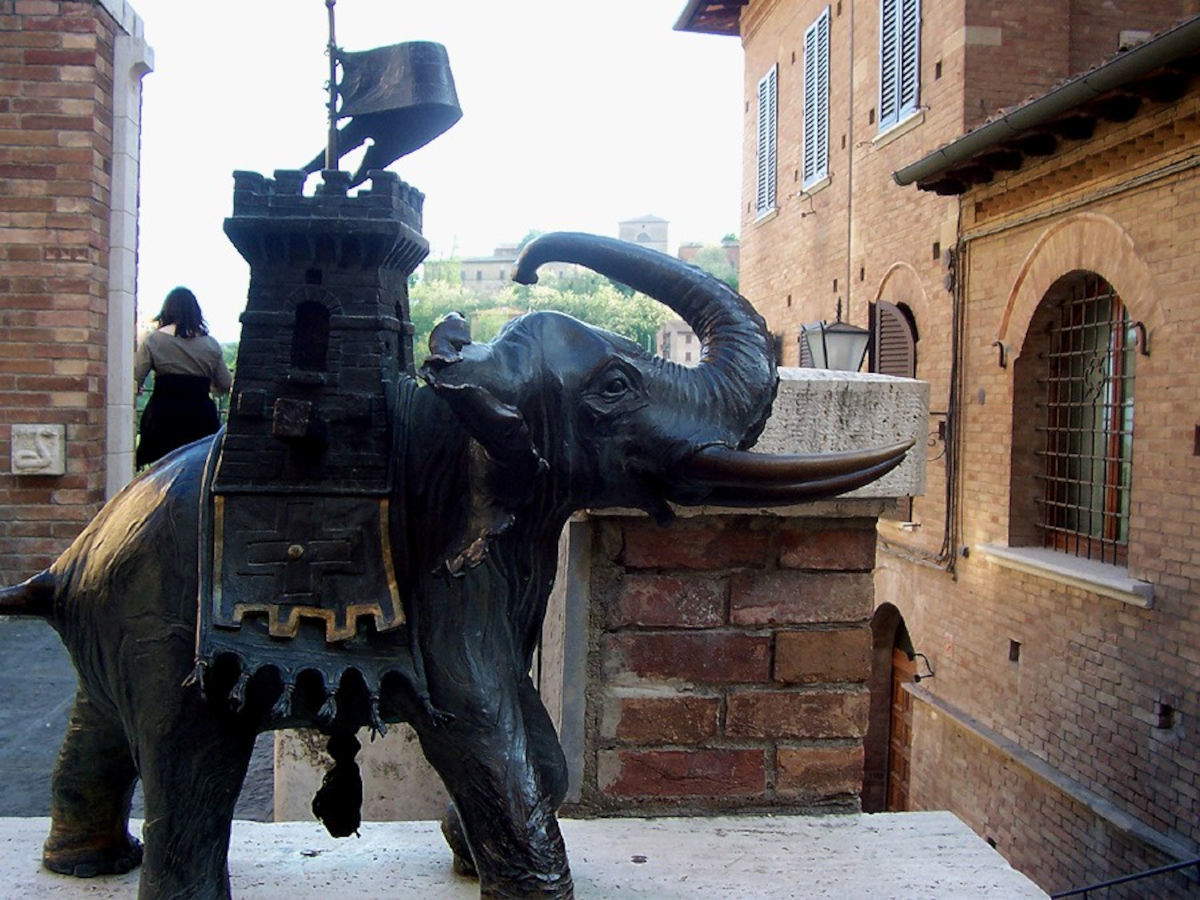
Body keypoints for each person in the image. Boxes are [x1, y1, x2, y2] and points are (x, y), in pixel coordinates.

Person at [134, 287, 232, 467]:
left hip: (163, 418)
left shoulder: (154, 340)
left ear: (167, 310)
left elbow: (135, 377)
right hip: (200, 419)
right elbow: (226, 383)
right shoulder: (211, 345)